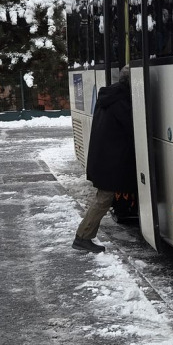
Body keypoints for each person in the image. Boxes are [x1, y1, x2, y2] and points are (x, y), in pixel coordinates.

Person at [72, 66, 136, 253]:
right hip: (109, 162)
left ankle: (83, 237)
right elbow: (133, 126)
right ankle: (82, 237)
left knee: (103, 198)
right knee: (103, 200)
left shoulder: (112, 96)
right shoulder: (121, 101)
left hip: (103, 159)